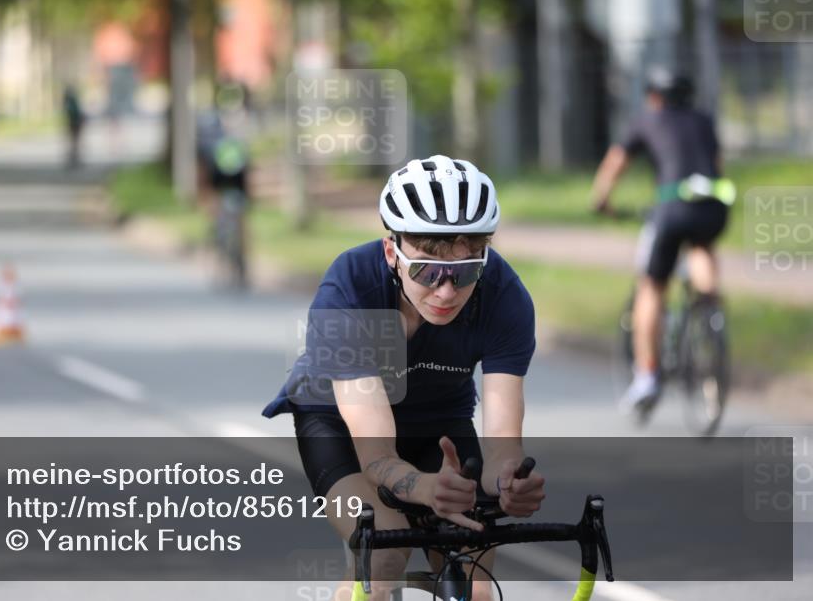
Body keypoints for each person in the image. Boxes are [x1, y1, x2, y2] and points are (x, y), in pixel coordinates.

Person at [262, 155, 546, 601]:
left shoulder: (505, 296)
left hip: (438, 425)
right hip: (338, 423)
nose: (447, 291)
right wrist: (427, 488)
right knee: (385, 551)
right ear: (393, 252)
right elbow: (376, 457)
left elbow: (503, 446)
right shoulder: (350, 289)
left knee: (473, 572)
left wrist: (510, 482)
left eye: (465, 271)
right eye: (428, 271)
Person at [591, 68, 731, 412]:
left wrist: (602, 199)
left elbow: (616, 161)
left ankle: (647, 376)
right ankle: (709, 310)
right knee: (701, 246)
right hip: (714, 203)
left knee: (652, 287)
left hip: (672, 206)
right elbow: (717, 164)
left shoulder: (646, 119)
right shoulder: (704, 120)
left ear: (654, 96)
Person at [196, 109, 250, 287]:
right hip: (236, 188)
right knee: (241, 223)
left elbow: (203, 177)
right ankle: (242, 259)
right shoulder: (234, 143)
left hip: (221, 187)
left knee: (219, 219)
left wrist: (204, 200)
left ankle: (233, 254)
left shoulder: (206, 146)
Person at [62, 84, 85, 169]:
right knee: (74, 142)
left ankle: (74, 158)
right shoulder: (71, 100)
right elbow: (75, 113)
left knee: (73, 142)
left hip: (73, 123)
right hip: (74, 123)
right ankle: (74, 159)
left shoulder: (67, 101)